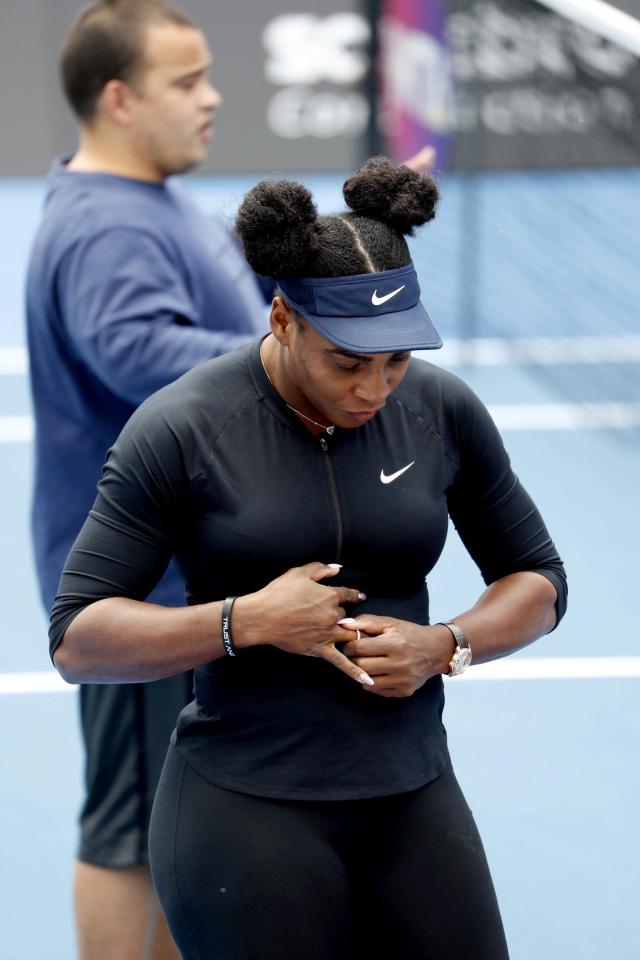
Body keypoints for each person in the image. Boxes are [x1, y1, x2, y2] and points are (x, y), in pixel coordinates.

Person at [49, 156, 567, 960]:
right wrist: (244, 621)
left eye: (395, 360)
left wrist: (447, 645)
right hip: (245, 812)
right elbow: (78, 638)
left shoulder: (441, 409)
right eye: (348, 362)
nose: (376, 389)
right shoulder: (180, 429)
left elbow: (539, 580)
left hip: (414, 794)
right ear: (283, 319)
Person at [25, 1, 268, 956]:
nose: (212, 99)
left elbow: (221, 290)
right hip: (139, 597)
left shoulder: (148, 200)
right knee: (129, 832)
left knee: (181, 827)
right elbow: (136, 348)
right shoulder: (107, 229)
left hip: (184, 585)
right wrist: (291, 354)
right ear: (119, 99)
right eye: (186, 81)